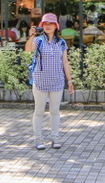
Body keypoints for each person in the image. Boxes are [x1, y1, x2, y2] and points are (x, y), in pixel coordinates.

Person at [26, 13, 74, 150]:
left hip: (57, 81)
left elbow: (65, 62)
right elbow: (28, 49)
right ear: (42, 26)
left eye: (51, 23)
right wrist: (32, 35)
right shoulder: (38, 40)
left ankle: (55, 138)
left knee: (55, 111)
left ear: (56, 26)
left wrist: (69, 81)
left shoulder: (61, 42)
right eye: (45, 24)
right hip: (40, 81)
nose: (48, 26)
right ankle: (38, 139)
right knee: (39, 111)